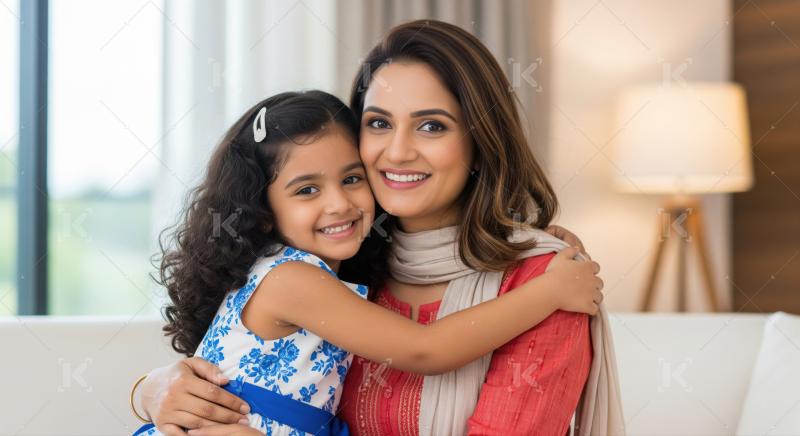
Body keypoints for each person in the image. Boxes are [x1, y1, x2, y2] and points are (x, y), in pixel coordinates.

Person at [132, 89, 603, 435]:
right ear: (261, 211)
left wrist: (535, 243)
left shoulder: (343, 268)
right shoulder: (291, 279)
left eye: (352, 178)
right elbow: (426, 350)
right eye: (307, 190)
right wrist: (547, 291)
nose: (340, 204)